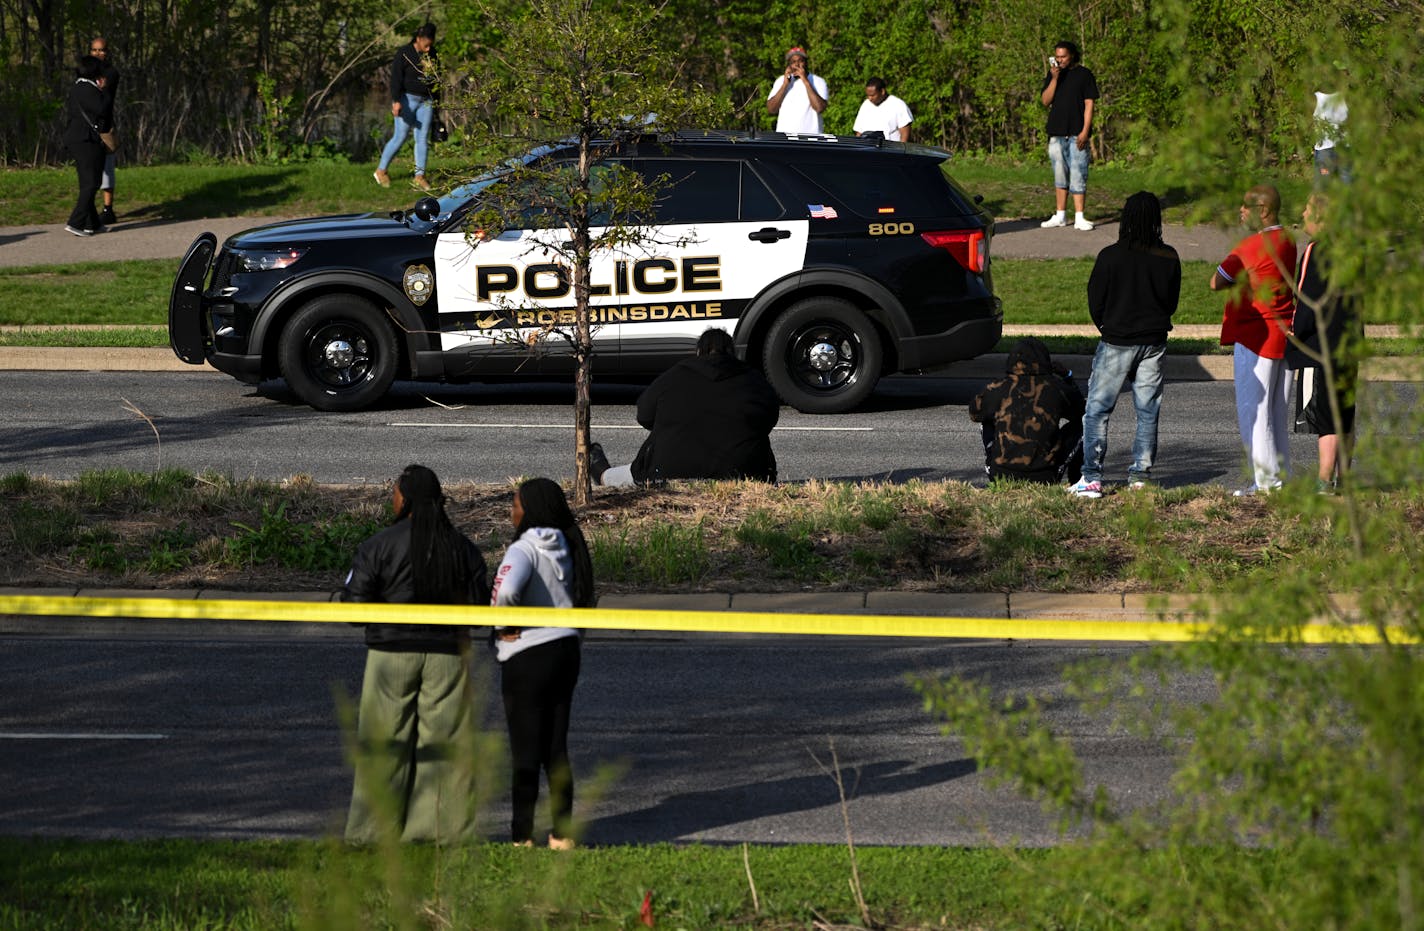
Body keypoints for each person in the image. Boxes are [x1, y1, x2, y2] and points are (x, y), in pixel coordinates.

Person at [343, 464, 490, 845]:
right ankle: (441, 831)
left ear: (404, 499)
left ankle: (372, 833)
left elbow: (353, 605)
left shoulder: (378, 546)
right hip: (447, 657)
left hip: (390, 654)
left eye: (393, 492)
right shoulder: (462, 547)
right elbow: (479, 605)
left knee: (383, 744)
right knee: (444, 746)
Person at [490, 478, 595, 849]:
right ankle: (562, 834)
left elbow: (504, 591)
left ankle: (522, 836)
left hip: (527, 656)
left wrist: (505, 626)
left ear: (529, 510)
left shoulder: (523, 549)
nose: (511, 511)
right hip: (565, 653)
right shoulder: (568, 543)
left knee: (525, 750)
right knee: (556, 748)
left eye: (515, 503)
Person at [1069, 191, 1182, 498]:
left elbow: (1096, 301)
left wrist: (1107, 325)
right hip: (1154, 342)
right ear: (1156, 220)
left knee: (1097, 410)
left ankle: (1092, 477)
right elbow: (1171, 302)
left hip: (1116, 341)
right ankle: (1140, 477)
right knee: (1147, 411)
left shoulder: (1110, 256)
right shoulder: (1169, 256)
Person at [588, 328, 779, 486]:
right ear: (733, 353)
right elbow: (769, 419)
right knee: (761, 442)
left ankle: (603, 475)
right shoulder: (753, 379)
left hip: (667, 472)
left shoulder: (675, 375)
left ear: (698, 352)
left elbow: (644, 415)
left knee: (637, 470)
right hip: (743, 472)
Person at [1210, 184, 1298, 496]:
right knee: (1276, 411)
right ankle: (1278, 476)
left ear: (1263, 210)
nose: (1241, 211)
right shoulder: (1287, 240)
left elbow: (1217, 281)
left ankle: (1265, 483)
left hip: (1254, 335)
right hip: (1283, 333)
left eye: (1246, 206)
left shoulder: (1250, 246)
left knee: (1255, 411)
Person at [1287, 192, 1362, 494]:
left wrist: (1294, 332)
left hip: (1318, 346)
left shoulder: (1314, 251)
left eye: (1307, 210)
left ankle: (1323, 480)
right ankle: (1344, 477)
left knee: (1324, 418)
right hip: (1348, 343)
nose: (1303, 215)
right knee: (1344, 414)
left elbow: (1305, 299)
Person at [968, 337, 1085, 484]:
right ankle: (1077, 479)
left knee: (986, 418)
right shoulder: (1056, 387)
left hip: (1000, 476)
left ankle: (994, 462)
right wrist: (1067, 377)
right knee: (1084, 425)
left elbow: (974, 413)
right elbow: (1083, 411)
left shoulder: (998, 387)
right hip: (1045, 476)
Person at [1039, 41, 1099, 232]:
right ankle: (1060, 215)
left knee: (1078, 173)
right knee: (1060, 174)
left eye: (1063, 56)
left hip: (1076, 133)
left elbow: (1089, 104)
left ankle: (1079, 217)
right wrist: (1055, 79)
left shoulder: (1084, 75)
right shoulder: (1054, 74)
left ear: (1072, 55)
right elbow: (1045, 101)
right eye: (1057, 56)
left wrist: (1085, 131)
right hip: (1056, 133)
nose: (1059, 60)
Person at [374, 22, 439, 191]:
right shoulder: (404, 53)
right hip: (407, 99)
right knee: (400, 136)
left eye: (431, 43)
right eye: (426, 43)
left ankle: (419, 176)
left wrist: (437, 103)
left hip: (426, 101)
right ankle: (381, 171)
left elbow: (437, 81)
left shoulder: (433, 55)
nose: (428, 47)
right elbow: (395, 78)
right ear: (418, 38)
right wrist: (396, 101)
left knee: (422, 139)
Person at [61, 55, 113, 238]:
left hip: (76, 138)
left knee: (86, 182)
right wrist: (105, 91)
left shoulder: (77, 87)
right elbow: (102, 109)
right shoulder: (88, 88)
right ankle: (76, 222)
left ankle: (92, 224)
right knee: (92, 183)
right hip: (86, 139)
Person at [89, 38, 120, 226]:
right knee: (90, 168)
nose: (98, 53)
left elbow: (104, 94)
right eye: (94, 50)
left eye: (101, 50)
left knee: (107, 169)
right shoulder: (85, 71)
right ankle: (89, 208)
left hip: (105, 126)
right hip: (87, 127)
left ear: (107, 51)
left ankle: (108, 209)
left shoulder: (111, 73)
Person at [766, 46, 829, 134]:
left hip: (811, 139)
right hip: (785, 139)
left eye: (800, 61)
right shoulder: (781, 81)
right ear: (789, 65)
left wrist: (805, 81)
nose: (797, 65)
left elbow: (820, 108)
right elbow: (771, 109)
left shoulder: (818, 81)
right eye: (793, 62)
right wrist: (785, 85)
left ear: (806, 63)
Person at [853, 77, 913, 142]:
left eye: (872, 95)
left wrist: (900, 150)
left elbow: (905, 135)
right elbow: (859, 132)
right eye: (868, 95)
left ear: (882, 91)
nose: (870, 98)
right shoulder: (866, 105)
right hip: (867, 149)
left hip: (890, 149)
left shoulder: (898, 105)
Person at [1311, 89, 1349, 186]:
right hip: (1343, 147)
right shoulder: (1346, 95)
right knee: (1348, 188)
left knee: (1322, 191)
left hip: (1328, 149)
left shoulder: (1316, 97)